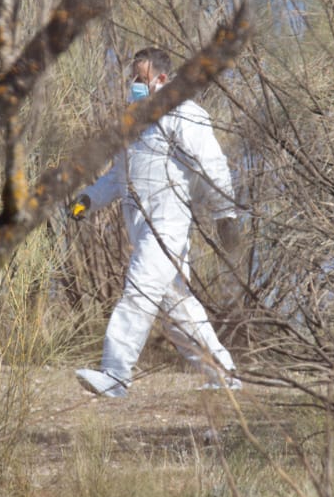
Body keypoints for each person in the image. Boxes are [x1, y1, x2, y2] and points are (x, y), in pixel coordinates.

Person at [70, 46, 243, 398]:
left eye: (142, 77)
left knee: (139, 290)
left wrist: (225, 214)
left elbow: (211, 162)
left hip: (168, 225)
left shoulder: (183, 113)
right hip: (143, 229)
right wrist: (86, 200)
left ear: (162, 79)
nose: (135, 83)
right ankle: (224, 374)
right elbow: (118, 178)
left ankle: (115, 375)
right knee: (178, 312)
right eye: (133, 76)